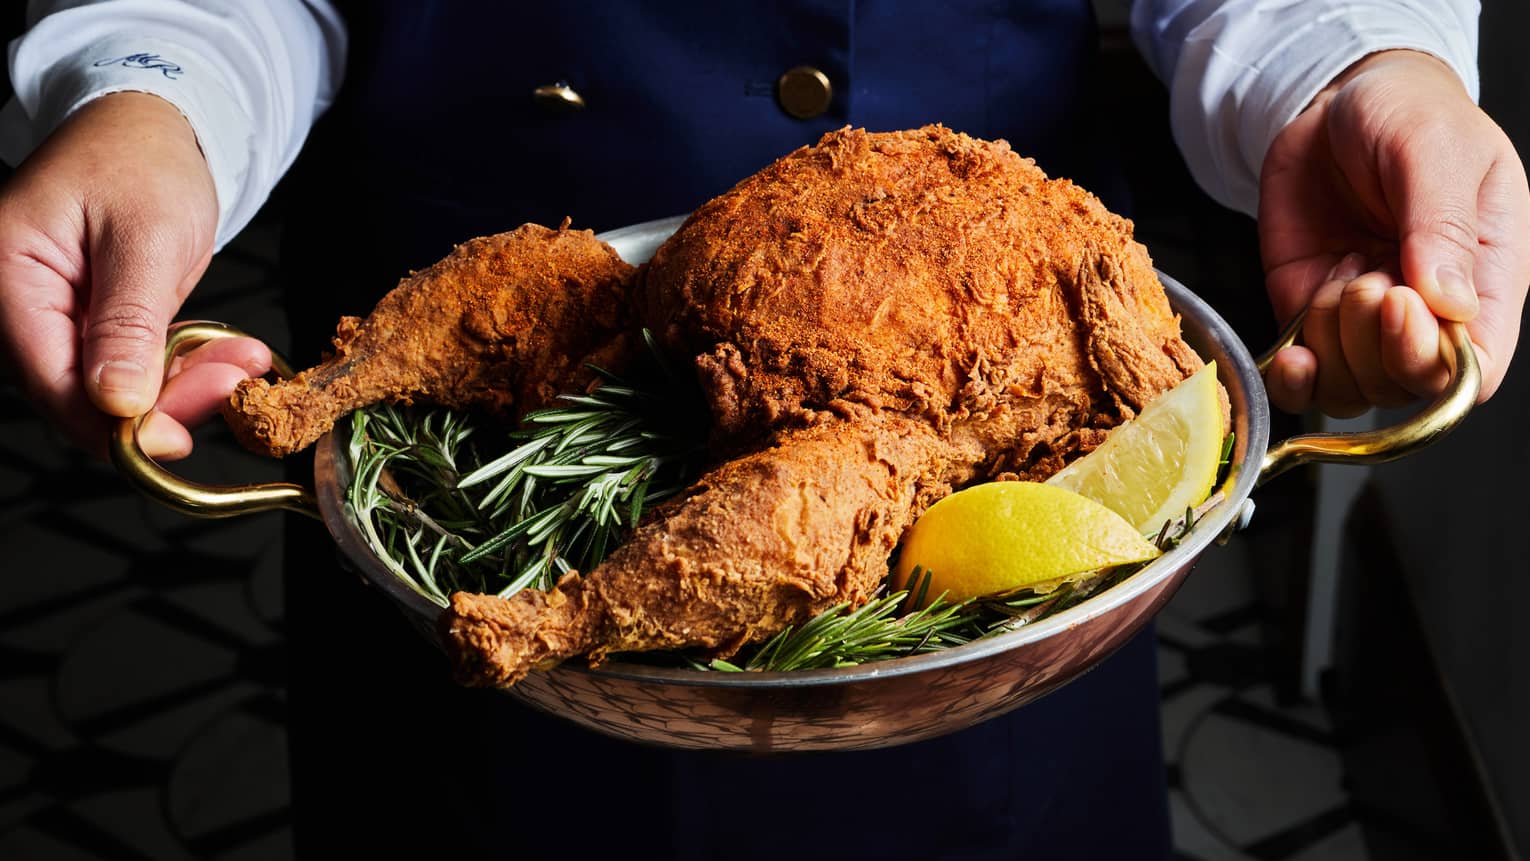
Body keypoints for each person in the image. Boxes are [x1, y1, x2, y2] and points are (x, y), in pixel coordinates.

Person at [0, 1, 1523, 858]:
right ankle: (497, 559)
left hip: (981, 587)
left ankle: (559, 612)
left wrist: (1344, 63)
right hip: (500, 492)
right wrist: (151, 92)